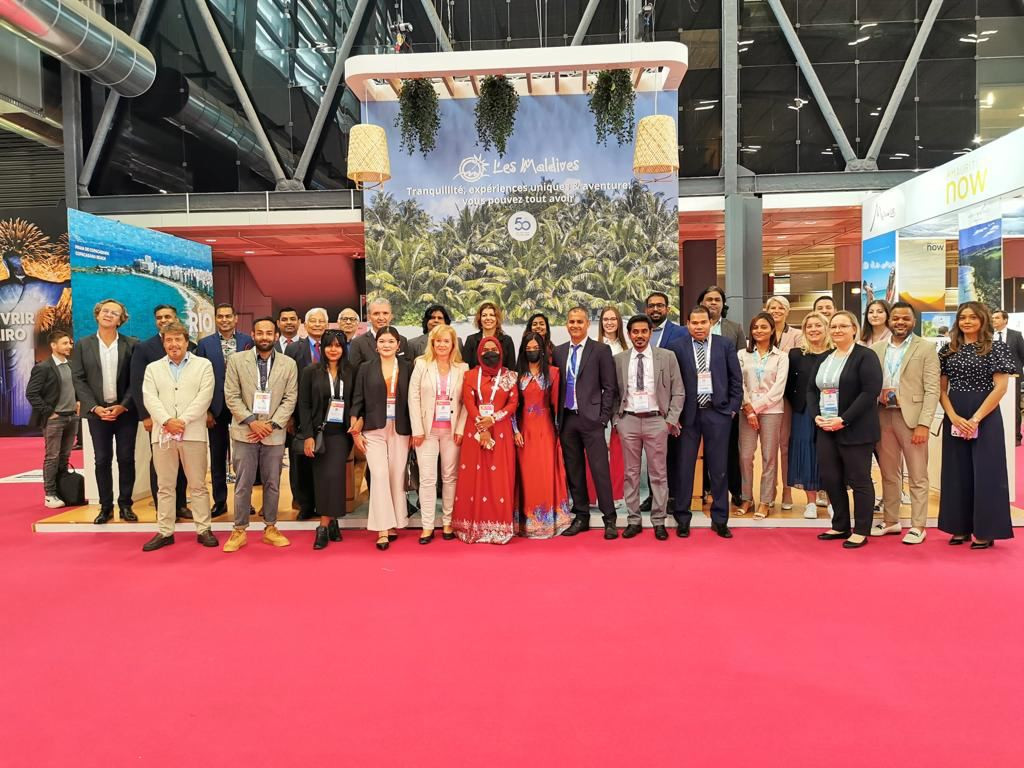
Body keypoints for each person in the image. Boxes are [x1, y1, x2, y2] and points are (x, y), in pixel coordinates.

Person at [938, 302, 1015, 548]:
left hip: (986, 413)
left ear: (983, 320)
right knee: (956, 472)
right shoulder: (948, 350)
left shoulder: (996, 347)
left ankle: (986, 530)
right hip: (955, 413)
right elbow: (941, 389)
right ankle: (959, 527)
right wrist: (953, 416)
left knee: (987, 471)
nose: (967, 321)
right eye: (963, 317)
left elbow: (1001, 387)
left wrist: (975, 419)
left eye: (973, 317)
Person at [221, 316, 297, 552]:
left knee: (272, 482)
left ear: (276, 336)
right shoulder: (237, 360)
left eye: (269, 333)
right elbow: (231, 395)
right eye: (260, 333)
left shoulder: (288, 364)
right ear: (253, 335)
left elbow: (290, 398)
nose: (265, 337)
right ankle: (239, 529)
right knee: (243, 483)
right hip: (245, 431)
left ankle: (271, 527)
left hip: (274, 433)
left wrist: (271, 425)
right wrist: (252, 422)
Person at [140, 322, 217, 551]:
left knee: (198, 484)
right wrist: (166, 421)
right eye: (169, 340)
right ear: (163, 343)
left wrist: (182, 421)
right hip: (162, 434)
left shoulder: (203, 365)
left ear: (186, 341)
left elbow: (204, 396)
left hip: (193, 433)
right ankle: (165, 531)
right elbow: (149, 398)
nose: (174, 344)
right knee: (165, 486)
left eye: (178, 339)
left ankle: (203, 529)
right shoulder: (153, 368)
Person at [808, 311, 882, 549]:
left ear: (854, 329)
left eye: (843, 326)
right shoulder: (825, 357)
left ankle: (861, 530)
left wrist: (844, 419)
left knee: (859, 480)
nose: (837, 330)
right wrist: (816, 416)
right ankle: (840, 525)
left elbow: (870, 392)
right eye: (834, 326)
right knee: (831, 478)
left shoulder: (865, 356)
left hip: (856, 428)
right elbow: (812, 390)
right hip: (825, 427)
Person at [668, 306, 742, 538]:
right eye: (694, 323)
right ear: (687, 324)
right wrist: (674, 415)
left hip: (717, 414)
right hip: (688, 416)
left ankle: (720, 519)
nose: (699, 327)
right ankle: (682, 518)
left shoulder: (724, 345)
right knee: (684, 468)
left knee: (719, 469)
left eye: (703, 322)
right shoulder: (676, 347)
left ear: (710, 323)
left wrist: (731, 409)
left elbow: (736, 379)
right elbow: (670, 382)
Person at [870, 302, 939, 545]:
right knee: (889, 472)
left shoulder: (926, 348)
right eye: (896, 318)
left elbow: (933, 390)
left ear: (913, 322)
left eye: (905, 319)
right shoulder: (877, 348)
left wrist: (924, 424)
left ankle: (918, 525)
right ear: (889, 320)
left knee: (917, 474)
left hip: (911, 418)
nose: (900, 322)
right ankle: (891, 520)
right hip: (882, 415)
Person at [612, 315, 683, 539]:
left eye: (644, 331)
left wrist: (670, 420)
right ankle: (633, 520)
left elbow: (678, 391)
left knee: (659, 474)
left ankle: (659, 521)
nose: (640, 336)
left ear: (651, 333)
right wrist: (617, 420)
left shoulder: (667, 357)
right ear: (629, 334)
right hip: (629, 420)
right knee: (631, 474)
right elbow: (613, 392)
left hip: (656, 421)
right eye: (635, 332)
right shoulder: (619, 360)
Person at [70, 299, 139, 523]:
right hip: (96, 413)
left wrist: (123, 405)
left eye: (115, 313)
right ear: (97, 315)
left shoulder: (132, 344)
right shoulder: (83, 345)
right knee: (101, 460)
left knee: (126, 459)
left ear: (121, 320)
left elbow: (135, 379)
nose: (109, 315)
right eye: (105, 311)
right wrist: (95, 407)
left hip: (125, 412)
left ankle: (126, 505)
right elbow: (78, 379)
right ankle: (105, 507)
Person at [553, 307, 619, 538]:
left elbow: (610, 387)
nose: (575, 325)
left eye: (579, 321)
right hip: (567, 419)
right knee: (574, 471)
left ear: (587, 324)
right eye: (571, 321)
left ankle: (609, 518)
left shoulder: (600, 350)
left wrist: (603, 418)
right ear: (566, 324)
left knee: (600, 470)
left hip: (592, 420)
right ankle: (581, 516)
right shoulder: (559, 352)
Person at [452, 336, 519, 543]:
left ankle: (498, 527)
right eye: (486, 350)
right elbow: (469, 402)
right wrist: (482, 425)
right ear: (479, 353)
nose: (490, 353)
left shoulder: (509, 376)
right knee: (474, 477)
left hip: (501, 430)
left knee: (499, 479)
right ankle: (472, 526)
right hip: (475, 431)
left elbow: (513, 403)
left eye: (494, 349)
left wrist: (493, 418)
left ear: (501, 352)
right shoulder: (470, 375)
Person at [351, 326, 412, 550]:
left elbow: (414, 401)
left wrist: (416, 431)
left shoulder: (408, 367)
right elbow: (357, 399)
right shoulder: (366, 368)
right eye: (382, 341)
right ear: (376, 345)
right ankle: (382, 530)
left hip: (401, 428)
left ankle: (394, 522)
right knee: (378, 475)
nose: (386, 345)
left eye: (391, 341)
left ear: (398, 345)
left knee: (396, 475)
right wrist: (355, 430)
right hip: (373, 428)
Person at [129, 304, 192, 518]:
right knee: (159, 463)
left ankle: (181, 504)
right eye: (159, 317)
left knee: (182, 460)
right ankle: (162, 508)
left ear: (176, 318)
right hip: (158, 418)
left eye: (168, 316)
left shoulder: (189, 345)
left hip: (184, 418)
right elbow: (137, 384)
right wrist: (146, 416)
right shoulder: (144, 348)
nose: (163, 320)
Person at [408, 324, 468, 543]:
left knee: (450, 477)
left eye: (446, 341)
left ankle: (448, 522)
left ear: (453, 344)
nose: (442, 345)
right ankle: (427, 525)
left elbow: (467, 402)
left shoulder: (463, 368)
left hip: (452, 432)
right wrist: (417, 429)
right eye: (438, 341)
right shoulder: (421, 364)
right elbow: (413, 397)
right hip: (427, 432)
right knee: (427, 479)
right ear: (432, 343)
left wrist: (460, 428)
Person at [298, 330, 357, 550]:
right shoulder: (310, 371)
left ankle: (328, 523)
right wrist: (308, 436)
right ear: (322, 348)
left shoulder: (352, 371)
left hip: (341, 433)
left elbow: (357, 400)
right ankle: (326, 525)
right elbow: (304, 405)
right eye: (329, 345)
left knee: (335, 477)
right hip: (319, 433)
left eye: (338, 345)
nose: (333, 350)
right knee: (323, 478)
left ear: (344, 348)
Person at [195, 303, 253, 518]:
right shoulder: (204, 344)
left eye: (228, 316)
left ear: (236, 318)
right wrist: (206, 411)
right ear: (215, 319)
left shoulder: (247, 341)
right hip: (216, 407)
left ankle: (244, 501)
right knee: (218, 456)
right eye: (220, 316)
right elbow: (199, 378)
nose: (225, 320)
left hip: (243, 407)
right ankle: (220, 501)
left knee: (244, 457)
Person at [514, 331, 572, 538]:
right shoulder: (516, 375)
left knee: (546, 472)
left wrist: (558, 434)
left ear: (543, 350)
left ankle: (548, 520)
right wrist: (515, 431)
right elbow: (513, 407)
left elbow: (557, 407)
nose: (532, 351)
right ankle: (526, 522)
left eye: (535, 348)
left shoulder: (554, 373)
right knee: (526, 475)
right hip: (524, 431)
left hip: (546, 431)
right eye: (528, 348)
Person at [737, 312, 789, 519]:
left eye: (764, 327)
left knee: (769, 457)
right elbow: (738, 382)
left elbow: (779, 388)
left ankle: (766, 501)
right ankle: (747, 498)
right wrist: (747, 407)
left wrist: (755, 408)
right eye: (755, 327)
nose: (759, 330)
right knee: (745, 456)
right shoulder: (742, 354)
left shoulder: (781, 356)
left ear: (772, 330)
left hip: (772, 411)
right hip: (746, 409)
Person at [699, 285, 745, 509]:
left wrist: (734, 405)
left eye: (717, 299)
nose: (713, 303)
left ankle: (735, 490)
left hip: (724, 403)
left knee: (729, 449)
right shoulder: (692, 328)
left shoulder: (734, 329)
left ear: (723, 304)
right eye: (709, 299)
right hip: (699, 401)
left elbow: (741, 363)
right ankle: (704, 488)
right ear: (702, 303)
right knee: (702, 451)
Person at [785, 312, 832, 519]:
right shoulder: (796, 354)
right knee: (806, 454)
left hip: (830, 412)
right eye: (809, 326)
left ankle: (832, 502)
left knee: (829, 455)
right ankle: (810, 502)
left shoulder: (835, 353)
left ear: (826, 328)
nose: (813, 329)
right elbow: (789, 385)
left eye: (818, 325)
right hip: (803, 412)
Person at [26, 330, 80, 509]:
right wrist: (49, 412)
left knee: (65, 456)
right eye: (65, 343)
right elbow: (31, 393)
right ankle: (50, 494)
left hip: (72, 418)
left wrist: (78, 402)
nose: (69, 346)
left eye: (70, 343)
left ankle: (63, 490)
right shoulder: (43, 368)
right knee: (52, 457)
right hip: (54, 420)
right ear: (53, 345)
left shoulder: (71, 365)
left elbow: (75, 388)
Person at [285, 307, 328, 519]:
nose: (317, 324)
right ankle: (305, 504)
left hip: (328, 414)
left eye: (321, 321)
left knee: (323, 462)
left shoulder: (333, 345)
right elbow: (287, 382)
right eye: (313, 321)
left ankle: (323, 504)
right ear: (305, 324)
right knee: (300, 461)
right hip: (300, 412)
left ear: (326, 324)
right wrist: (290, 416)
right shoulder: (294, 349)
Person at [764, 295, 802, 511]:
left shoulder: (797, 335)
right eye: (772, 307)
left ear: (787, 312)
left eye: (781, 308)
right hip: (764, 398)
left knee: (785, 445)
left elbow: (798, 362)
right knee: (769, 448)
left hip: (787, 396)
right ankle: (770, 491)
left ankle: (787, 490)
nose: (776, 311)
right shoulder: (761, 333)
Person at [589, 306, 626, 504]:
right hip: (598, 403)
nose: (609, 323)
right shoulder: (593, 346)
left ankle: (616, 495)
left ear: (619, 322)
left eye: (613, 319)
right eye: (605, 319)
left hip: (620, 404)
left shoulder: (626, 348)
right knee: (595, 449)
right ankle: (594, 496)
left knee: (618, 449)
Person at [991, 309, 1024, 445]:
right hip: (992, 377)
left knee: (1014, 407)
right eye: (993, 318)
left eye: (997, 318)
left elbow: (1022, 355)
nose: (994, 320)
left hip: (1013, 377)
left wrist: (1017, 371)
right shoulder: (988, 335)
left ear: (1005, 320)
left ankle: (1016, 436)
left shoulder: (1016, 335)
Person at [348, 298, 410, 369]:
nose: (381, 318)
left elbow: (406, 368)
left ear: (391, 316)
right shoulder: (358, 342)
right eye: (376, 314)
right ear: (369, 317)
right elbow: (354, 371)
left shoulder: (402, 340)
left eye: (385, 313)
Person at [463, 301, 516, 370]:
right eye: (484, 315)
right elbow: (466, 368)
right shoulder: (471, 340)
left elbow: (511, 369)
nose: (488, 318)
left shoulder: (507, 340)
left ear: (497, 319)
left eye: (492, 315)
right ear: (479, 319)